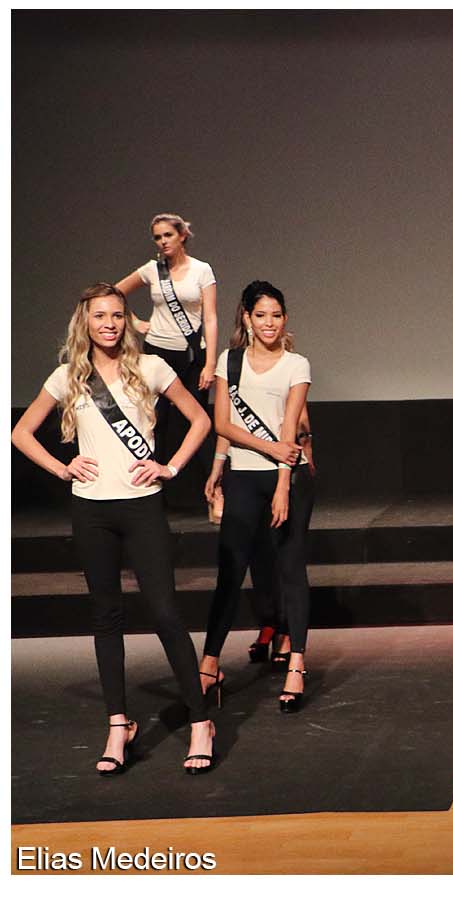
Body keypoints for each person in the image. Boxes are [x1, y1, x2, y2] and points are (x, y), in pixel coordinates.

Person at [11, 283, 216, 774]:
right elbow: (19, 433)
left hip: (143, 507)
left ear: (127, 320)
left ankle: (200, 721)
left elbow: (200, 420)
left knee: (166, 613)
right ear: (85, 321)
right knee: (106, 617)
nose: (109, 323)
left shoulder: (150, 367)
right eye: (100, 315)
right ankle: (118, 724)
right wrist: (62, 468)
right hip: (92, 511)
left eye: (118, 315)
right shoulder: (68, 376)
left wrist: (170, 466)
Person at [198, 281, 315, 713]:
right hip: (246, 476)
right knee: (231, 570)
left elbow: (290, 430)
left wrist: (284, 483)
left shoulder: (296, 365)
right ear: (246, 317)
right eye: (261, 315)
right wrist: (224, 464)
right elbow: (223, 425)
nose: (269, 323)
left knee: (291, 568)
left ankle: (297, 663)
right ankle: (209, 665)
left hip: (289, 479)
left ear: (285, 319)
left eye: (277, 315)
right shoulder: (229, 362)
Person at [114, 213, 218, 502]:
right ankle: (145, 490)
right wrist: (134, 322)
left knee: (198, 422)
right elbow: (114, 293)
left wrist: (209, 363)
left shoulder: (201, 270)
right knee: (152, 421)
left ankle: (214, 493)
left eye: (168, 235)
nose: (162, 242)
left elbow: (209, 318)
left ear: (182, 235)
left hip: (191, 356)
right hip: (157, 354)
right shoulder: (152, 270)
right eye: (158, 237)